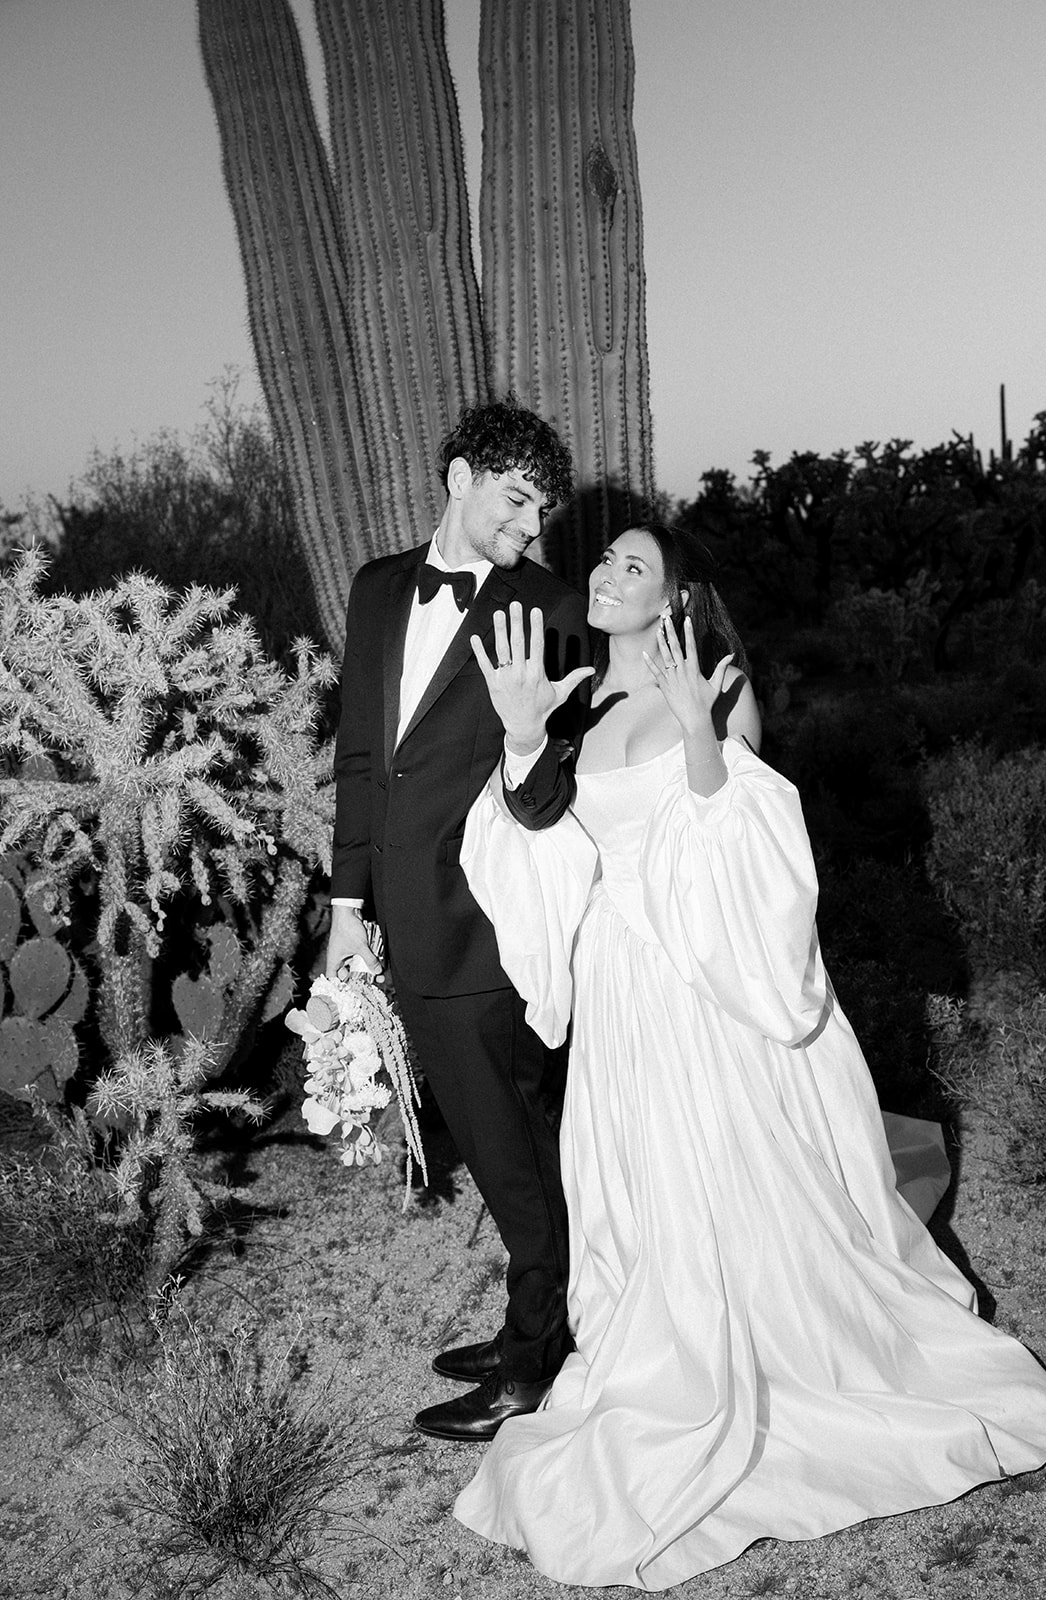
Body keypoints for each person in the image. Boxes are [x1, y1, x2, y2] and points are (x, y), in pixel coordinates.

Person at [450, 523, 1046, 1589]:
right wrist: (516, 742)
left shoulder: (718, 690)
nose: (604, 574)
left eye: (632, 567)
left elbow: (749, 856)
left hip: (707, 990)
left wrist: (696, 736)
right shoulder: (572, 699)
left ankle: (792, 1360)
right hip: (619, 997)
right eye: (603, 561)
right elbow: (534, 858)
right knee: (642, 1197)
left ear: (674, 598)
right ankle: (658, 1355)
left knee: (731, 1181)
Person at [327, 398, 593, 1442]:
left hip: (487, 923)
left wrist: (529, 744)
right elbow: (361, 754)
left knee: (514, 1147)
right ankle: (542, 1318)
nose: (529, 531)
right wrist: (348, 907)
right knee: (498, 1143)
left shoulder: (550, 606)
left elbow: (549, 795)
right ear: (460, 476)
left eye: (541, 514)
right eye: (516, 503)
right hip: (401, 914)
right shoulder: (377, 586)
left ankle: (534, 1361)